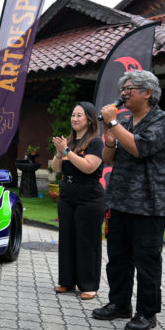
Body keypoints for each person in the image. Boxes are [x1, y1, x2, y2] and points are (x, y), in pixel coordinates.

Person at [92, 70, 165, 330]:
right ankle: (119, 304)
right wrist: (109, 140)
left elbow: (140, 149)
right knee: (118, 258)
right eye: (123, 89)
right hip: (119, 201)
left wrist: (112, 123)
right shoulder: (126, 123)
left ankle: (147, 313)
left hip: (148, 205)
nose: (123, 94)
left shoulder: (164, 121)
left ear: (148, 92)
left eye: (129, 89)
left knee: (147, 262)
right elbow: (109, 159)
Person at [51, 102, 105, 301]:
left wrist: (66, 151)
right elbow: (56, 169)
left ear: (89, 119)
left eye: (79, 115)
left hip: (88, 197)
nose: (74, 119)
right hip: (67, 196)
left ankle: (89, 285)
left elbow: (89, 167)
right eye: (73, 115)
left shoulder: (95, 142)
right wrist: (60, 153)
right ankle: (67, 281)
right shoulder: (69, 142)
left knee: (87, 242)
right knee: (67, 239)